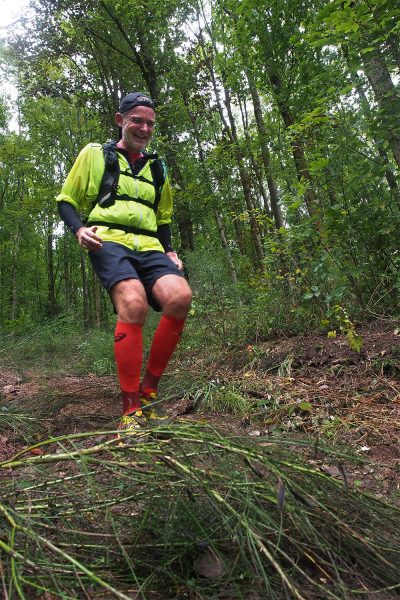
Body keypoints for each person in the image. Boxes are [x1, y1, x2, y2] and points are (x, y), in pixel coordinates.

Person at [56, 92, 192, 430]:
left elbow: (163, 217)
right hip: (109, 239)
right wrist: (79, 231)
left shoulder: (157, 166)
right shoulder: (95, 155)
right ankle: (130, 409)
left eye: (150, 123)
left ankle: (149, 394)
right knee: (133, 303)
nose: (144, 128)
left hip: (150, 245)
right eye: (137, 120)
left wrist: (170, 250)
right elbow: (66, 201)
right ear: (121, 120)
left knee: (180, 297)